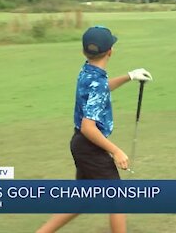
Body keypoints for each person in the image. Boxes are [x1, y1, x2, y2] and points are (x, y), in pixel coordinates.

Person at [37, 26, 153, 233]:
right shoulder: (96, 81)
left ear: (84, 52)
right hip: (89, 145)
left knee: (82, 199)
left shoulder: (87, 71)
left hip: (81, 144)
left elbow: (100, 88)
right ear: (111, 51)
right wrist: (116, 151)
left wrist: (129, 76)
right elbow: (88, 127)